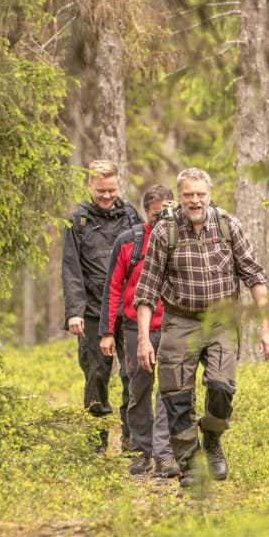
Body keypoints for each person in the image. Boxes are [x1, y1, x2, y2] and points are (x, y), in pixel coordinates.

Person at [134, 167, 269, 487]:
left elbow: (255, 277)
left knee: (221, 387)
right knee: (175, 395)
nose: (195, 201)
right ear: (180, 196)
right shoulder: (164, 232)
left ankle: (212, 440)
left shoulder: (229, 226)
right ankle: (189, 464)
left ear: (209, 195)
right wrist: (144, 339)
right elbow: (146, 290)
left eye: (200, 194)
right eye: (188, 195)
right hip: (180, 320)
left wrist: (267, 327)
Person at [99, 185, 181, 479]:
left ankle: (165, 453)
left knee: (169, 391)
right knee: (138, 389)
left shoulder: (180, 238)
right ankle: (141, 452)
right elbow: (113, 288)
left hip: (173, 326)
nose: (162, 219)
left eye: (167, 212)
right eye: (156, 214)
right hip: (135, 328)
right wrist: (107, 331)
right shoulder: (129, 241)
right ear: (147, 212)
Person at [62, 160, 141, 453]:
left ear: (118, 185)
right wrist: (74, 312)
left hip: (127, 310)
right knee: (96, 375)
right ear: (89, 187)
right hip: (94, 312)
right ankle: (96, 441)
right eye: (100, 191)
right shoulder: (78, 221)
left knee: (132, 372)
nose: (106, 196)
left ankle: (132, 436)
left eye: (111, 190)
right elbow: (71, 270)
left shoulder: (131, 215)